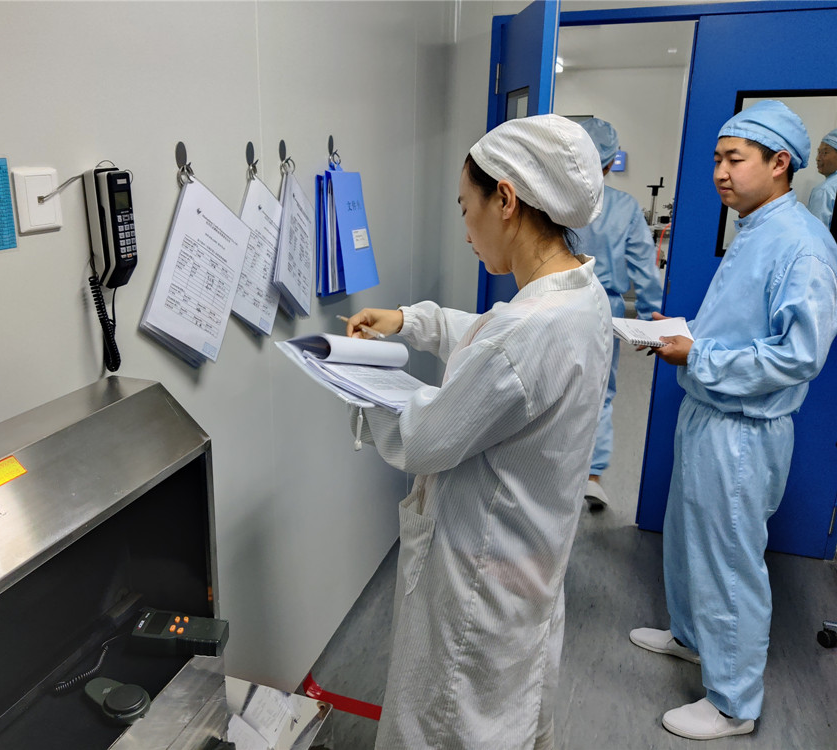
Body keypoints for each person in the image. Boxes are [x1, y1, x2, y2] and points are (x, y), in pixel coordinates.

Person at [344, 115, 611, 750]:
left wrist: (355, 379)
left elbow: (422, 437)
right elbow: (489, 335)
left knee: (449, 722)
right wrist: (411, 320)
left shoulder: (526, 334)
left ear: (506, 200)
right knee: (511, 710)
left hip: (479, 584)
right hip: (527, 561)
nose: (465, 229)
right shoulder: (577, 295)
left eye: (466, 208)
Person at [630, 100, 837, 740]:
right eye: (717, 158)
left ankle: (734, 703)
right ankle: (693, 638)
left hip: (743, 432)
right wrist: (681, 333)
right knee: (689, 539)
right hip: (710, 414)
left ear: (780, 164)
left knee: (729, 564)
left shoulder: (802, 244)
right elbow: (742, 323)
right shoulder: (755, 228)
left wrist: (698, 356)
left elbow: (799, 355)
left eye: (734, 159)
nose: (720, 172)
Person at [574, 117, 664, 510]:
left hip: (552, 300)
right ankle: (592, 477)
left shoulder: (553, 200)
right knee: (599, 391)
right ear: (611, 163)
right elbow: (645, 266)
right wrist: (648, 318)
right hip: (603, 309)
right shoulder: (625, 207)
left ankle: (552, 471)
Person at [808, 127, 837, 229]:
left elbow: (815, 233)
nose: (817, 158)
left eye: (824, 153)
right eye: (818, 152)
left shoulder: (825, 191)